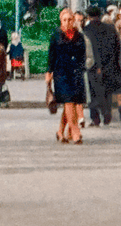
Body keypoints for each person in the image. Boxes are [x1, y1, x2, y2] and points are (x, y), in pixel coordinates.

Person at [46, 8, 86, 144]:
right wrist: (48, 72)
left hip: (75, 73)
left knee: (72, 101)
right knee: (68, 101)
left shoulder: (79, 36)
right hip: (61, 74)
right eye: (64, 20)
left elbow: (83, 55)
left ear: (73, 20)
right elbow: (51, 55)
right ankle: (75, 132)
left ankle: (60, 131)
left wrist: (82, 69)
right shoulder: (56, 35)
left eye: (70, 19)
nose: (67, 22)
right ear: (60, 21)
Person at [82, 5, 121, 127]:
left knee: (93, 92)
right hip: (109, 65)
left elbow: (87, 50)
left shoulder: (86, 30)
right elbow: (117, 47)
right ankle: (107, 113)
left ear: (88, 16)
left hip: (93, 66)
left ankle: (95, 118)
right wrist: (113, 62)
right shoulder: (110, 29)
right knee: (107, 91)